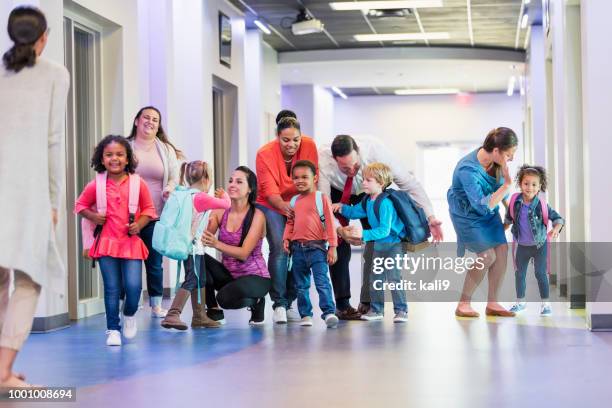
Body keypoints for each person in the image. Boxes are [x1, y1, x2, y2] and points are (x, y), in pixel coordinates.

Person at [0, 6, 70, 387]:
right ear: (44, 37)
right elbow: (52, 141)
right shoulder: (55, 74)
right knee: (29, 278)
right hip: (27, 192)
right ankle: (3, 371)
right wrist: (54, 201)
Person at [318, 135, 443, 318]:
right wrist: (338, 227)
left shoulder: (376, 152)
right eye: (345, 168)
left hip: (372, 198)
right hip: (338, 191)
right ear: (334, 160)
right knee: (339, 245)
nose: (352, 171)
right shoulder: (322, 160)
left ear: (359, 153)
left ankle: (379, 305)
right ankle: (344, 305)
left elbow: (409, 184)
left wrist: (430, 216)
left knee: (383, 260)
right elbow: (325, 203)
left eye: (355, 165)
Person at [75, 135, 157, 346]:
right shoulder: (96, 185)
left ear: (128, 159)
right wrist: (93, 216)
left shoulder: (138, 184)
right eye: (109, 155)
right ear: (102, 159)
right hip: (107, 243)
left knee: (133, 287)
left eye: (120, 154)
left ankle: (129, 314)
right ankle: (112, 329)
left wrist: (139, 223)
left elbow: (149, 209)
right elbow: (80, 205)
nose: (115, 159)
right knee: (111, 288)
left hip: (131, 243)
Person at [447, 127, 518, 318]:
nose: (510, 159)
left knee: (502, 250)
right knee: (487, 256)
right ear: (496, 151)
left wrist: (512, 216)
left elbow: (504, 196)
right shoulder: (467, 170)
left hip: (489, 209)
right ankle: (463, 304)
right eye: (509, 155)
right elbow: (481, 206)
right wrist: (505, 185)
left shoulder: (496, 163)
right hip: (467, 214)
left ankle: (493, 303)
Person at [255, 115, 319, 324]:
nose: (291, 145)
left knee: (302, 248)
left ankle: (291, 300)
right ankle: (279, 304)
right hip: (271, 203)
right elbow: (269, 191)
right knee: (280, 248)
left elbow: (311, 179)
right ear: (277, 137)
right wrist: (287, 208)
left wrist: (307, 208)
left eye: (296, 139)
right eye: (286, 140)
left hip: (299, 200)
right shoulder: (265, 153)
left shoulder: (309, 145)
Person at [332, 163, 408, 323]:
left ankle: (401, 310)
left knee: (394, 277)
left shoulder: (385, 203)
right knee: (375, 278)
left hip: (393, 245)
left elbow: (384, 230)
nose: (363, 183)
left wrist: (363, 234)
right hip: (379, 245)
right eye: (363, 179)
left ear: (380, 183)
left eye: (368, 180)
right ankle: (377, 310)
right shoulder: (368, 200)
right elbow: (355, 211)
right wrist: (341, 208)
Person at [161, 161, 230, 330]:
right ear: (207, 179)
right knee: (193, 278)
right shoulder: (201, 197)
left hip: (190, 246)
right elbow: (226, 205)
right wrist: (224, 195)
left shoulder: (186, 194)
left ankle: (200, 316)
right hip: (193, 248)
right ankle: (173, 314)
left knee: (201, 279)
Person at [127, 106, 182, 318]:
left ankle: (156, 305)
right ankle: (129, 301)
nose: (150, 122)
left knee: (154, 262)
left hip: (156, 214)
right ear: (136, 121)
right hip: (129, 215)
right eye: (146, 118)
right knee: (128, 260)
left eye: (155, 120)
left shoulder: (165, 149)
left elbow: (174, 177)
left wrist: (169, 189)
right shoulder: (126, 146)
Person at [201, 167, 272, 326]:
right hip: (230, 277)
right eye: (231, 181)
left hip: (256, 278)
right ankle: (213, 309)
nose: (232, 184)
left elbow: (244, 253)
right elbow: (202, 241)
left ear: (250, 189)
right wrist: (206, 206)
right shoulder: (220, 211)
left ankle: (257, 302)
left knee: (224, 298)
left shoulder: (257, 216)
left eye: (239, 182)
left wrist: (216, 243)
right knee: (198, 258)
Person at [283, 160, 339, 328]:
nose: (300, 181)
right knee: (301, 285)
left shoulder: (321, 198)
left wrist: (333, 247)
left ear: (315, 178)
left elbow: (330, 223)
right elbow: (290, 222)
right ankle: (305, 314)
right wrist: (286, 238)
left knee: (322, 282)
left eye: (304, 177)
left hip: (317, 248)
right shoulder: (294, 201)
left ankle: (329, 312)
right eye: (296, 178)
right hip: (297, 249)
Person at [505, 165, 564, 316]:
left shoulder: (542, 205)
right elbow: (508, 219)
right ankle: (521, 302)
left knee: (540, 274)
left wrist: (556, 229)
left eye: (534, 184)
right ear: (520, 184)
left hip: (540, 245)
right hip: (522, 246)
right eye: (526, 183)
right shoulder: (515, 202)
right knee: (519, 274)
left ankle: (545, 304)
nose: (529, 187)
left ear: (539, 187)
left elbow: (558, 219)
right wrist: (499, 231)